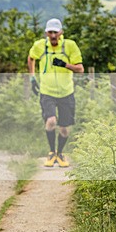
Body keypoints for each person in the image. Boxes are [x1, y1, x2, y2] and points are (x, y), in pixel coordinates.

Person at [27, 18, 84, 168]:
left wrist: (65, 64)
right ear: (46, 33)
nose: (53, 36)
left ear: (61, 32)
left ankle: (60, 153)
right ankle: (52, 152)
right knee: (51, 121)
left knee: (65, 129)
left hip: (66, 92)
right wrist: (32, 78)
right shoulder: (40, 46)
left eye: (55, 32)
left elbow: (80, 69)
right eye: (50, 32)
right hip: (47, 92)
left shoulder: (70, 46)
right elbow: (31, 57)